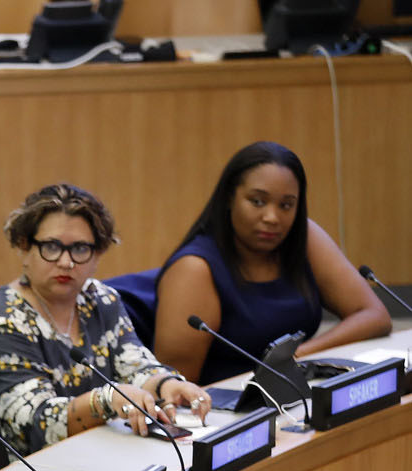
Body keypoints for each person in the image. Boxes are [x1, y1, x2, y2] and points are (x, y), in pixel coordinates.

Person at [0, 184, 211, 456]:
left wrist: (167, 385)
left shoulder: (100, 300)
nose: (67, 262)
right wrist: (106, 400)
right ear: (24, 247)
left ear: (98, 254)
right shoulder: (1, 323)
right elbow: (34, 425)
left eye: (80, 249)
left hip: (92, 456)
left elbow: (136, 367)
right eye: (52, 247)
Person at [153, 141, 390, 386]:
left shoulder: (304, 238)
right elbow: (177, 386)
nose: (272, 217)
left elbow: (374, 315)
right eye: (257, 201)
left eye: (286, 205)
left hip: (295, 393)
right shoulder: (195, 269)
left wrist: (297, 357)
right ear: (229, 198)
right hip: (226, 409)